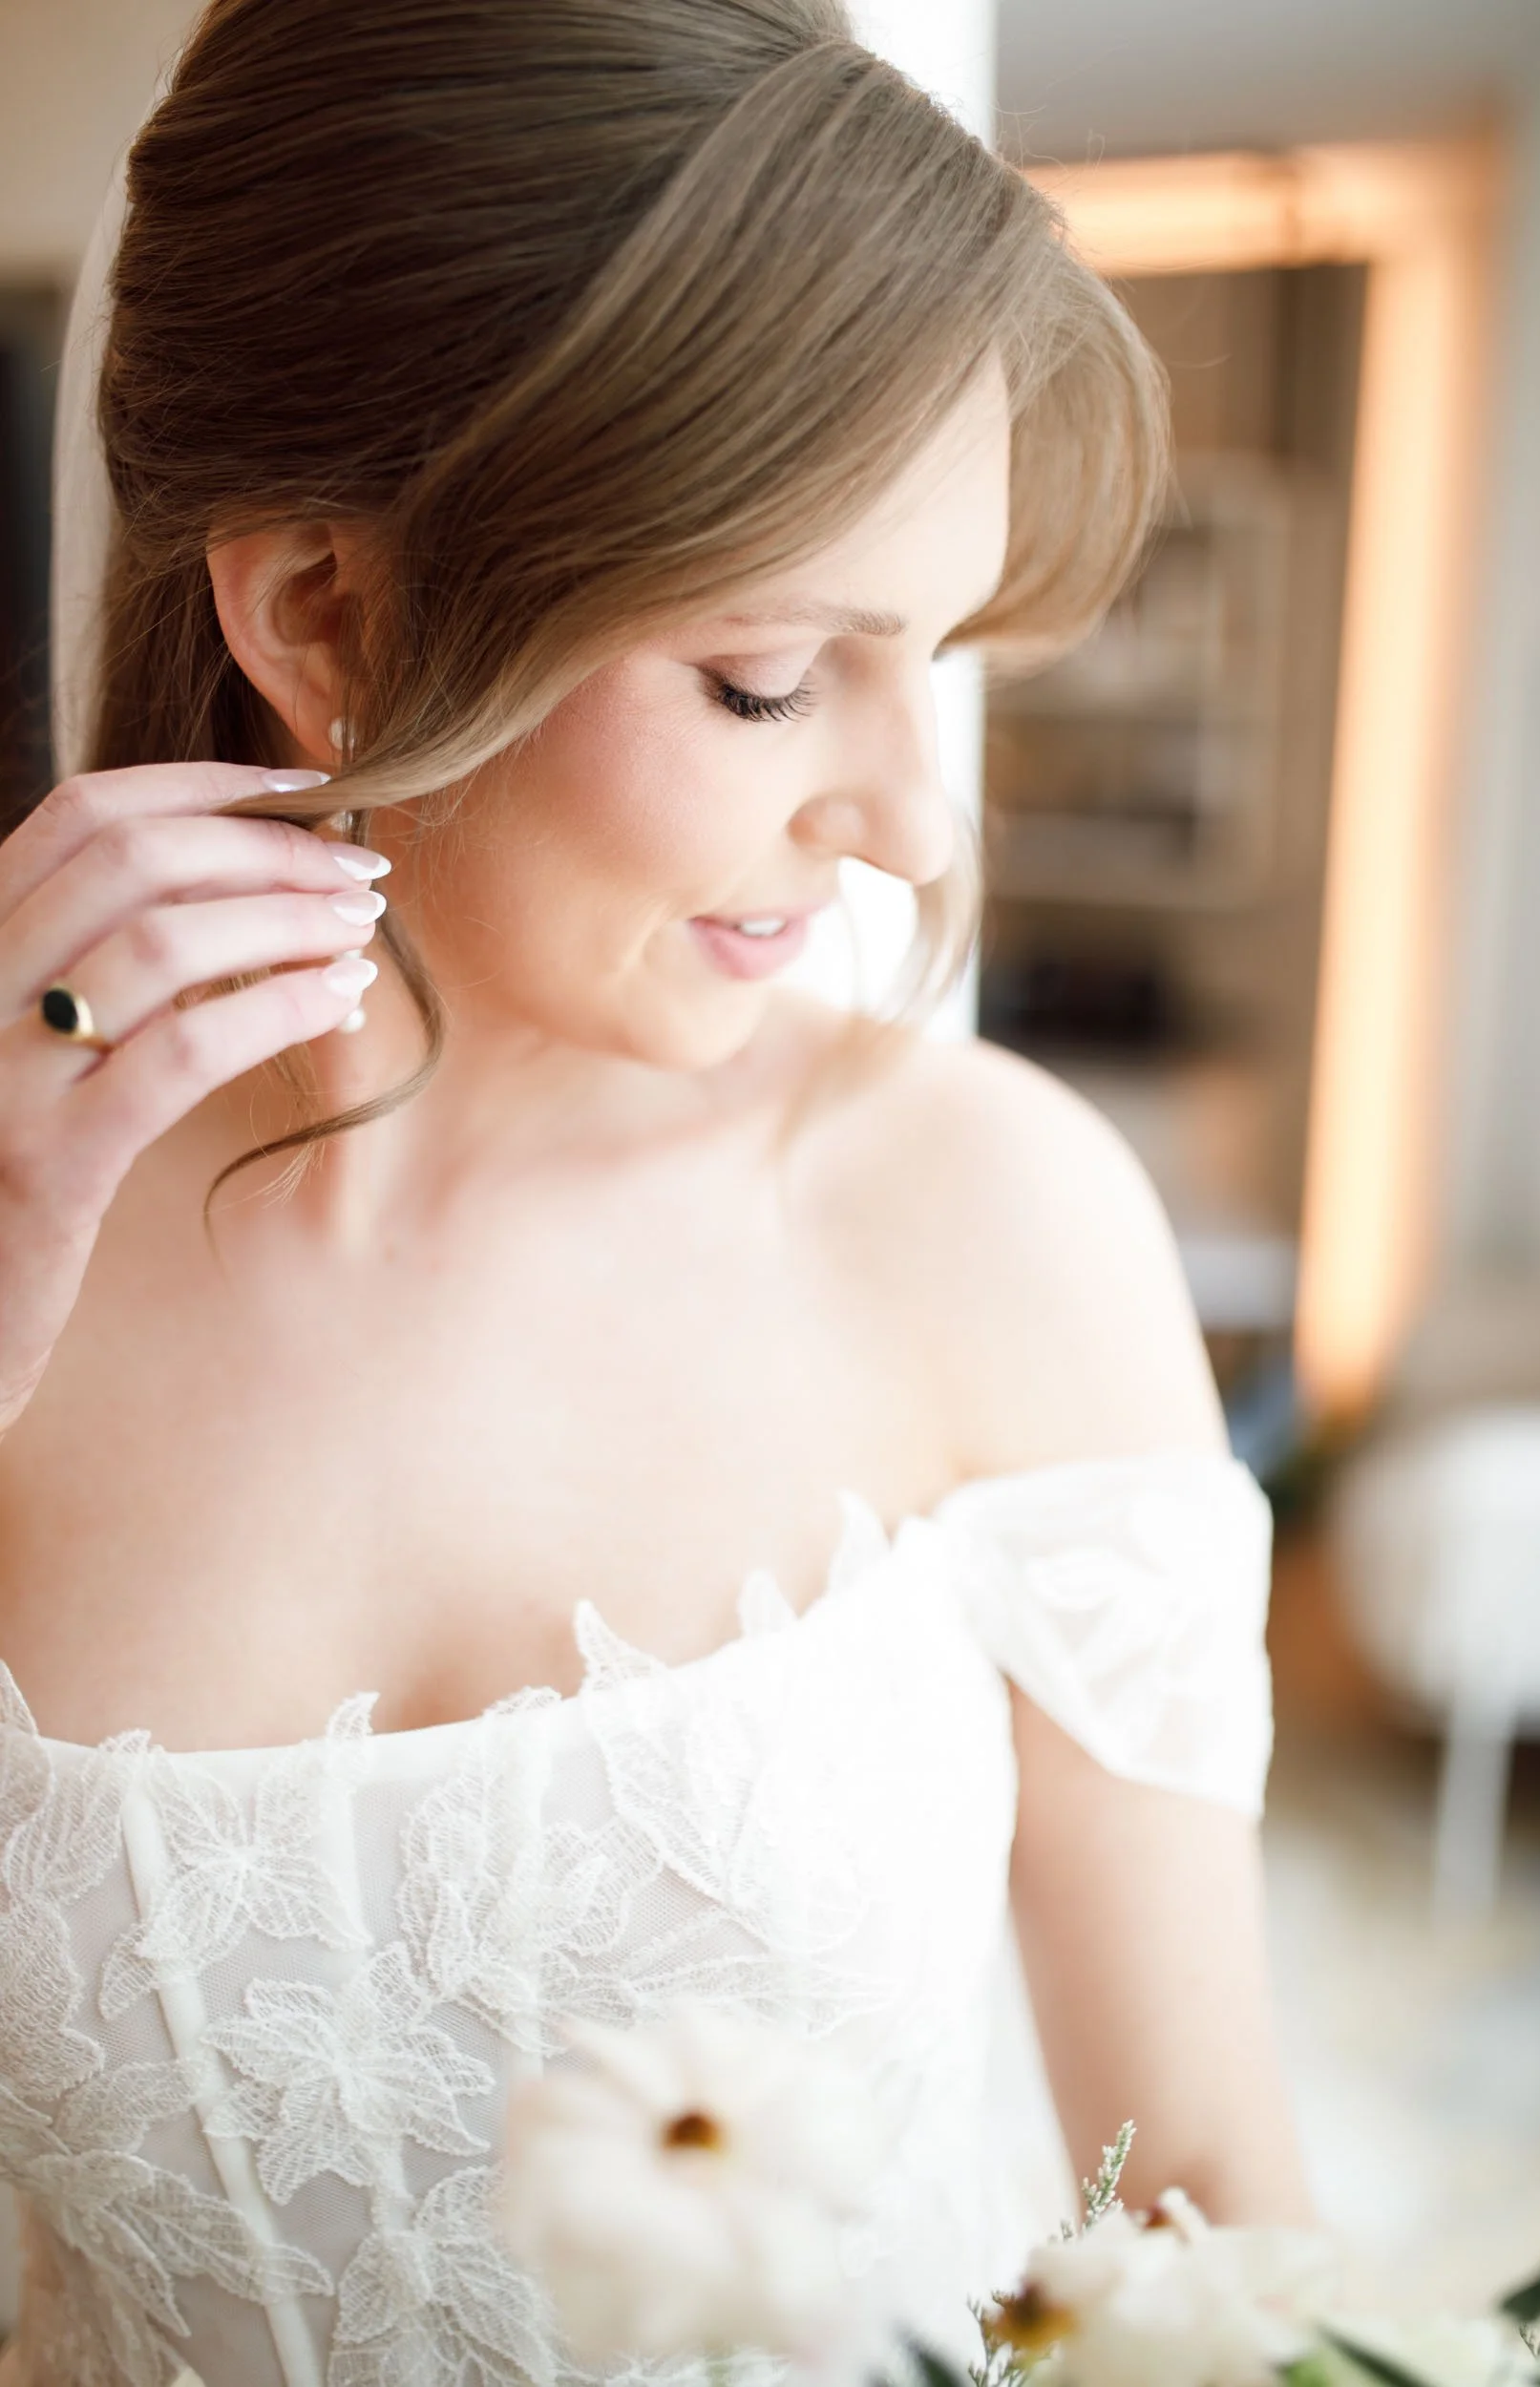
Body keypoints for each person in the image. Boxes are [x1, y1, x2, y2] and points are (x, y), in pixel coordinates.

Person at [0, 2, 1313, 2379]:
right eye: (762, 677)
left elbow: (1203, 2198)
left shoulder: (981, 1215)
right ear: (320, 612)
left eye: (924, 655)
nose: (909, 820)